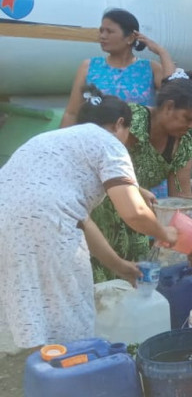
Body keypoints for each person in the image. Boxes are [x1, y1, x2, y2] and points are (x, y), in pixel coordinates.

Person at [0, 87, 178, 349]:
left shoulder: (55, 140)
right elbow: (134, 213)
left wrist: (119, 265)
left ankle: (47, 370)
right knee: (70, 309)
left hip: (8, 219)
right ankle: (74, 373)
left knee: (35, 303)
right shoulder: (109, 142)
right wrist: (165, 234)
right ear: (120, 124)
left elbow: (81, 221)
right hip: (47, 221)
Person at [89, 72, 192, 282]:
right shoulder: (131, 121)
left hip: (138, 224)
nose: (191, 126)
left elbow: (181, 197)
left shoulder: (183, 145)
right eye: (188, 118)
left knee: (133, 283)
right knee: (99, 284)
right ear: (169, 107)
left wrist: (189, 243)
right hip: (99, 216)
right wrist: (136, 192)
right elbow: (96, 161)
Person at [61, 9, 176, 127]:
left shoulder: (150, 68)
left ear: (130, 38)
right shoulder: (89, 66)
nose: (102, 36)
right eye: (101, 31)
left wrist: (162, 52)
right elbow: (71, 113)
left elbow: (174, 93)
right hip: (97, 141)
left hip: (137, 142)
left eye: (109, 32)